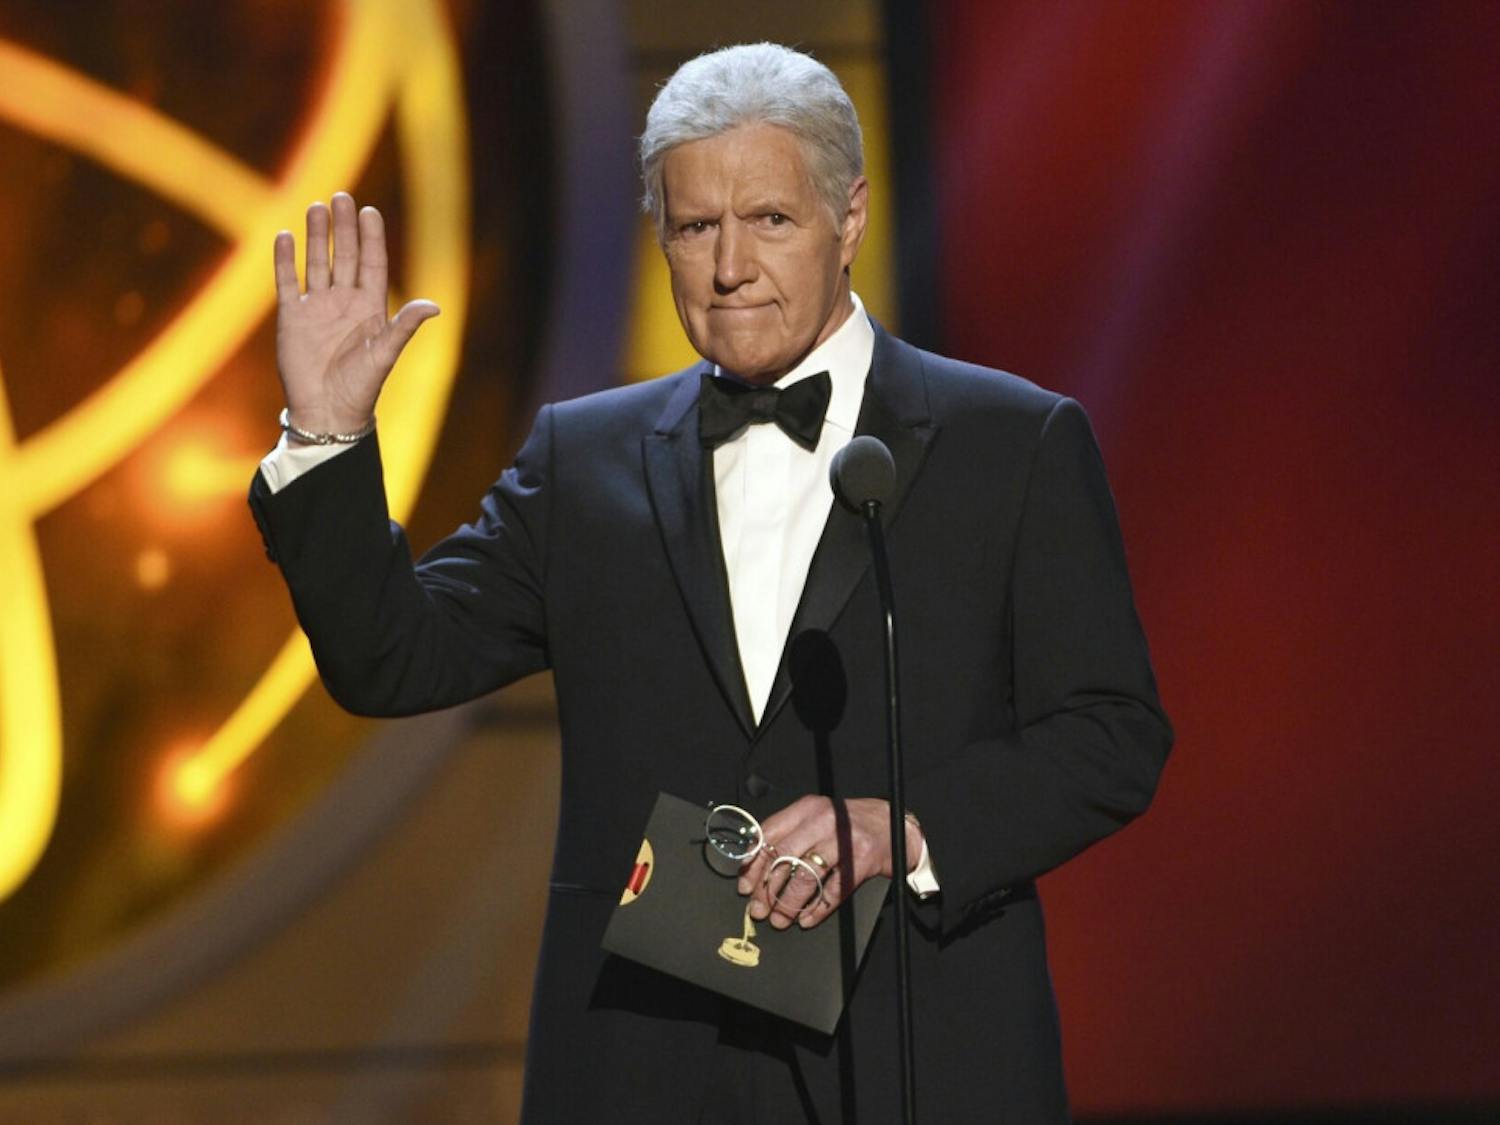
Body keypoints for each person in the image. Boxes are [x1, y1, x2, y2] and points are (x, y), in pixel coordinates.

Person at [250, 42, 1171, 1124]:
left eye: (770, 220)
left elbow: (1111, 733)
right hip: (647, 1064)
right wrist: (325, 433)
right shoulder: (582, 461)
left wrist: (904, 826)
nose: (729, 264)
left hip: (916, 1056)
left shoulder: (1010, 443)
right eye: (694, 228)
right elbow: (387, 658)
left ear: (851, 218)